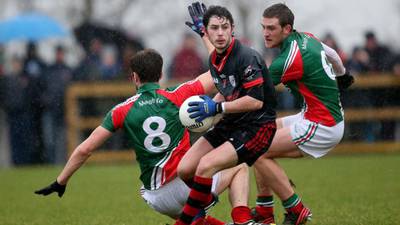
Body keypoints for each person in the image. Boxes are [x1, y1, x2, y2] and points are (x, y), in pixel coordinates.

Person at [34, 48, 249, 225]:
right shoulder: (177, 95)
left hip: (157, 199)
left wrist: (60, 182)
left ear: (135, 77)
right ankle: (242, 220)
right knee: (239, 166)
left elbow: (85, 149)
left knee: (194, 217)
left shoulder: (122, 110)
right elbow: (217, 74)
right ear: (161, 74)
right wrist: (222, 46)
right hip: (186, 186)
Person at [250, 3, 354, 225]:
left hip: (322, 126)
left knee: (256, 149)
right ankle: (264, 212)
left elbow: (255, 95)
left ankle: (296, 210)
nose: (265, 33)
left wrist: (218, 107)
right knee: (258, 134)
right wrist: (343, 75)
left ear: (287, 29)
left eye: (271, 28)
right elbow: (333, 54)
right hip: (318, 116)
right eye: (263, 27)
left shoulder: (287, 60)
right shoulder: (307, 37)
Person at [175, 4, 277, 225]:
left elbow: (255, 101)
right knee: (184, 169)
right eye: (214, 28)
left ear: (233, 29)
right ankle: (203, 200)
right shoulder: (215, 58)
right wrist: (211, 105)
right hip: (231, 122)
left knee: (205, 166)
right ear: (207, 31)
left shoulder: (246, 57)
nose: (220, 33)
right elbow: (225, 84)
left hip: (256, 127)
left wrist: (216, 108)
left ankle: (184, 221)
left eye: (224, 27)